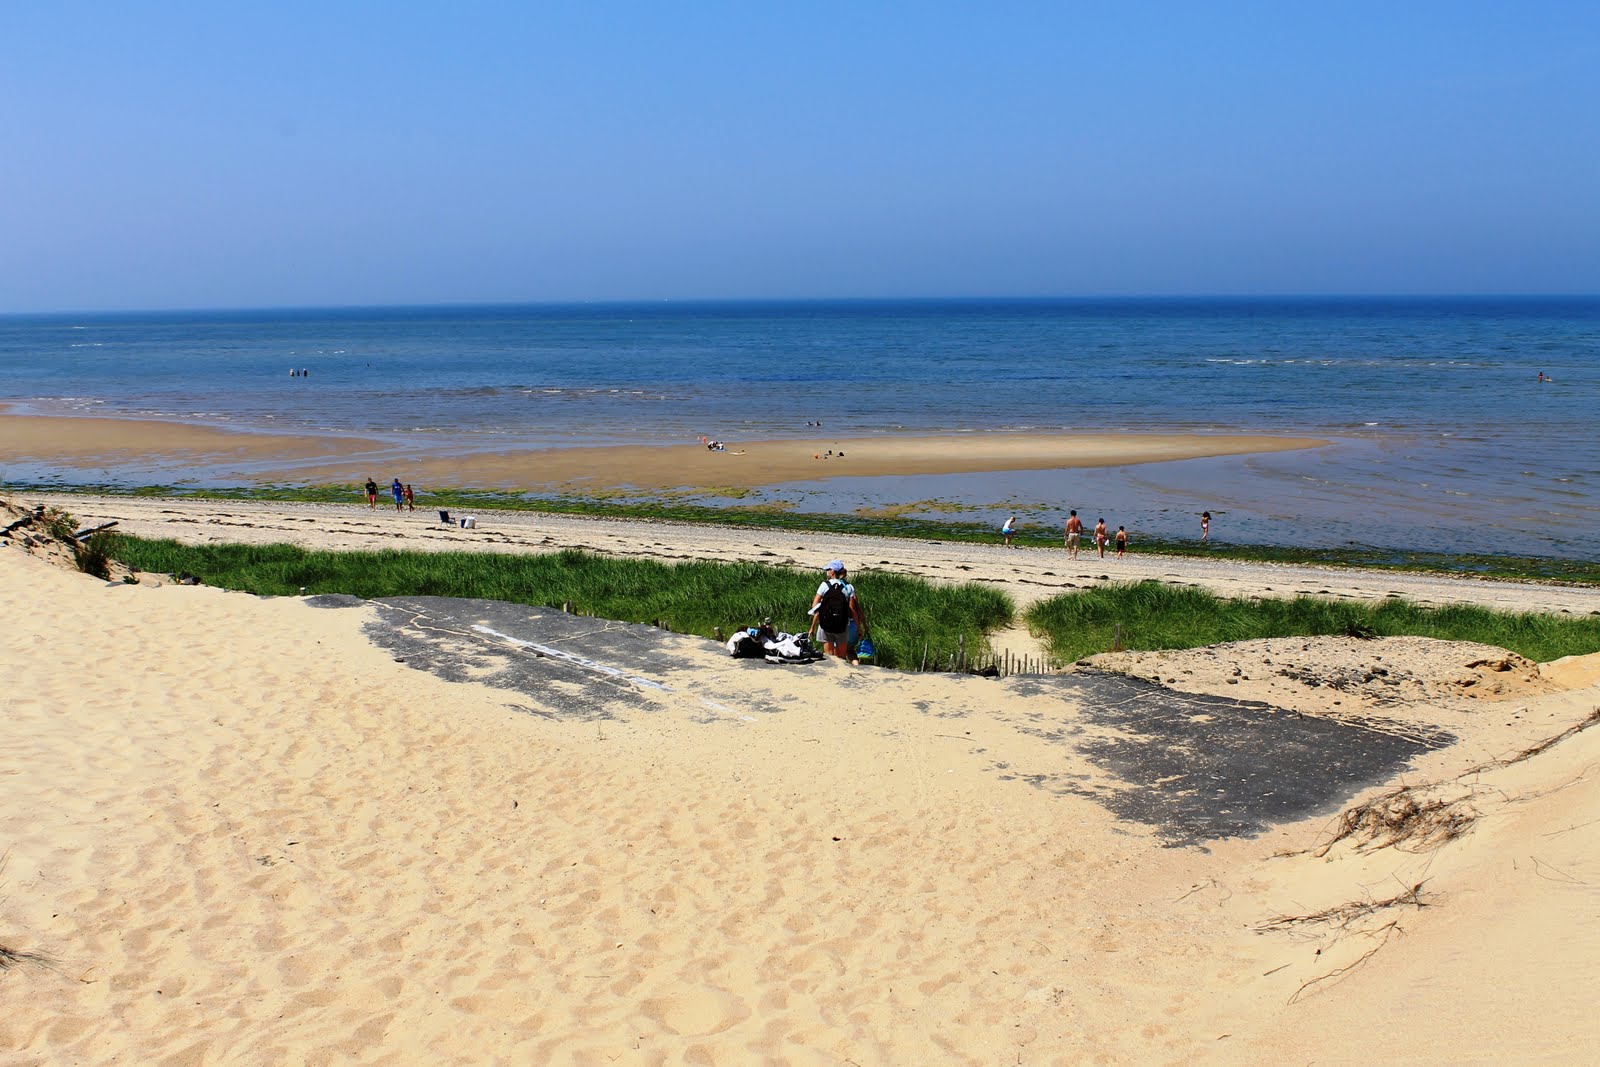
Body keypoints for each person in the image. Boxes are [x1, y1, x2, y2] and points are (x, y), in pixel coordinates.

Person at [808, 560, 868, 663]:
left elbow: (814, 605)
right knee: (841, 658)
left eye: (828, 570)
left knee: (829, 657)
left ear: (832, 572)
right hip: (842, 625)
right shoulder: (849, 587)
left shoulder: (824, 585)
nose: (827, 572)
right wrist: (859, 628)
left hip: (825, 624)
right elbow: (852, 610)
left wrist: (813, 625)